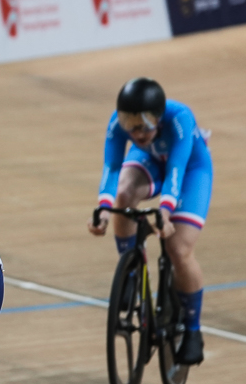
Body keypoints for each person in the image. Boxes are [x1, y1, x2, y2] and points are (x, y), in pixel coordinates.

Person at [87, 77, 211, 365]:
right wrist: (104, 210)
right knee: (123, 194)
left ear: (158, 117)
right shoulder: (119, 126)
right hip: (151, 161)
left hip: (191, 170)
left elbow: (176, 170)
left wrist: (165, 212)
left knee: (178, 249)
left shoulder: (180, 118)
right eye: (130, 125)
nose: (136, 132)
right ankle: (130, 273)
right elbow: (112, 167)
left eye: (143, 124)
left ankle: (193, 330)